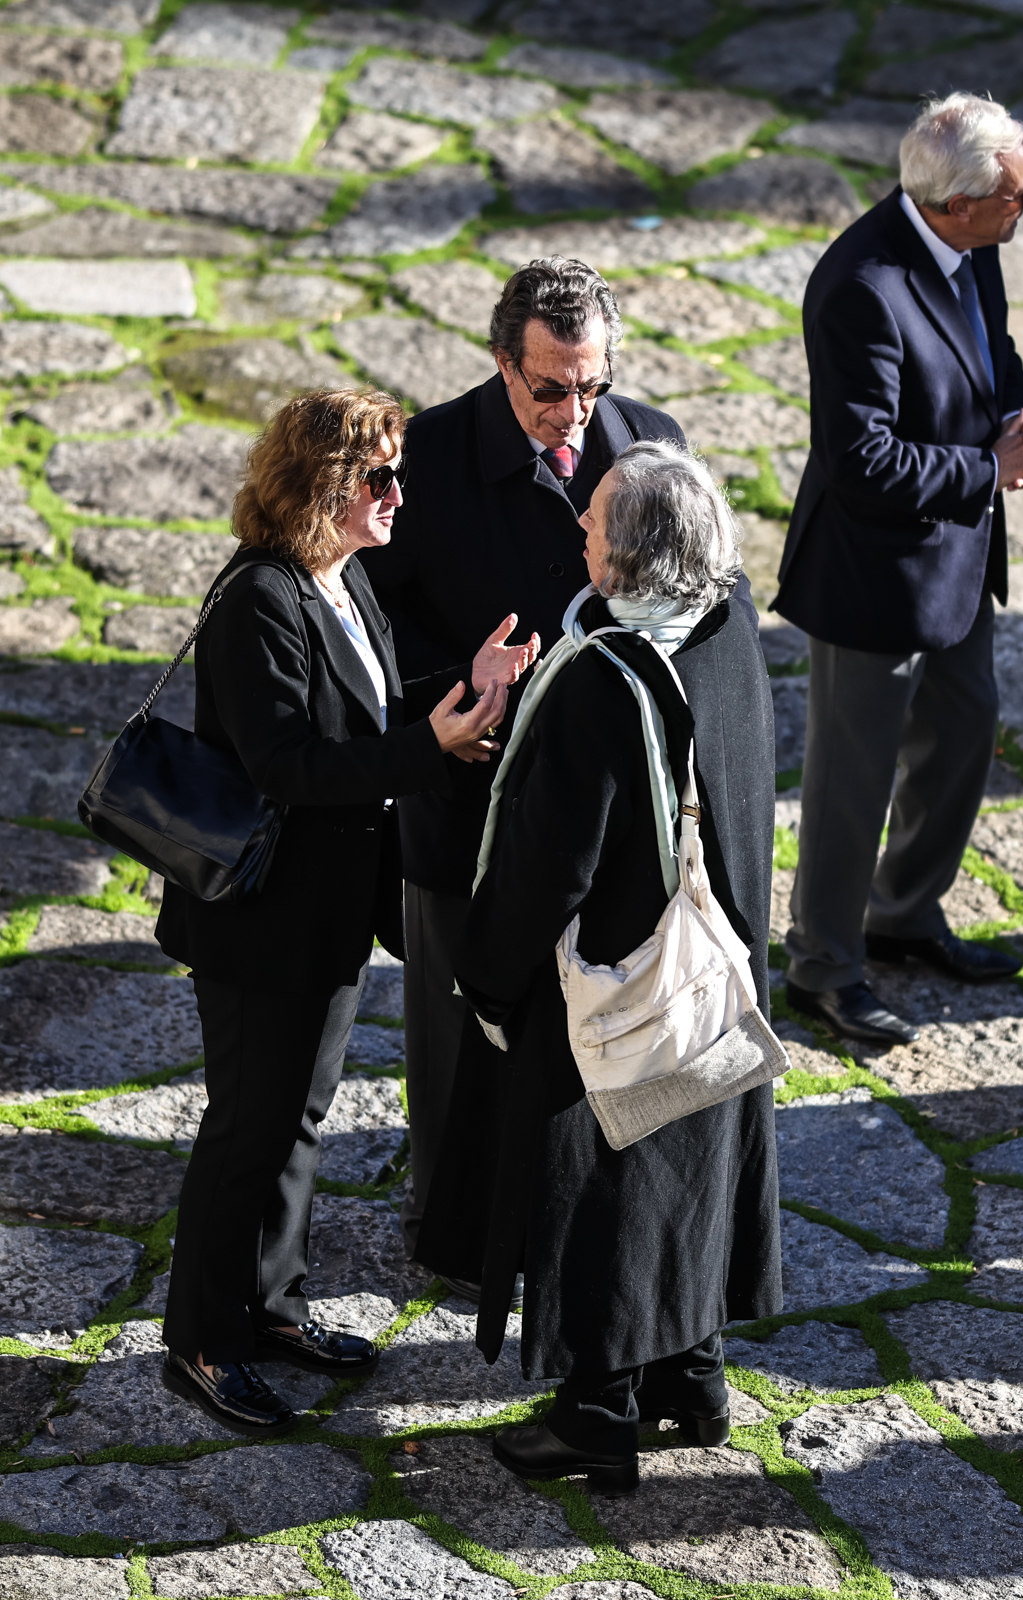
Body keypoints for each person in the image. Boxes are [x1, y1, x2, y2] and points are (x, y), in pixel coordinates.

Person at [155, 388, 537, 1438]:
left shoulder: (343, 577)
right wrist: (432, 747)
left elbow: (370, 703)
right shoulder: (258, 600)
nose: (399, 494)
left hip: (321, 911)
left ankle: (271, 1311)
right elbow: (289, 764)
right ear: (323, 484)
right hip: (258, 922)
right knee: (247, 1131)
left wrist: (463, 684)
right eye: (380, 477)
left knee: (300, 1120)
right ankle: (200, 1343)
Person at [417, 442, 780, 1495]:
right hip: (711, 975)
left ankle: (595, 1418)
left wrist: (487, 973)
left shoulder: (602, 681)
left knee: (604, 1200)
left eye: (593, 523)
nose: (578, 529)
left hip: (617, 991)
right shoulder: (726, 629)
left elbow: (549, 866)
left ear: (627, 560)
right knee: (690, 1178)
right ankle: (693, 1379)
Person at [358, 256, 695, 1273]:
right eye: (550, 387)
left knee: (583, 1028)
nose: (574, 411)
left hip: (603, 821)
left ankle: (562, 1223)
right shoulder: (422, 457)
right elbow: (366, 625)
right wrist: (456, 685)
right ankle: (450, 1230)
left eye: (593, 384)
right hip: (464, 798)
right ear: (502, 360)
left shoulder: (651, 442)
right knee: (455, 1033)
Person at [774, 92, 1023, 1047]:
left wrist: (1016, 413)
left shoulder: (975, 245)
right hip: (876, 576)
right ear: (956, 203)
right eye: (1018, 197)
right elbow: (862, 463)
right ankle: (822, 967)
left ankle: (902, 914)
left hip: (957, 562)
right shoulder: (860, 287)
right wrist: (990, 469)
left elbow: (993, 350)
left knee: (964, 732)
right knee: (850, 783)